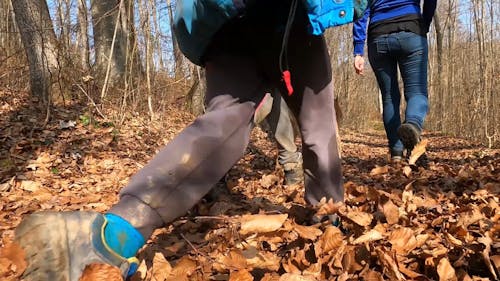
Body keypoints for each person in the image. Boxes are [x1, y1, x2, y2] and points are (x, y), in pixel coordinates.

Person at [13, 0, 367, 280]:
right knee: (318, 127)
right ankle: (327, 219)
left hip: (226, 20)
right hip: (289, 19)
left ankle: (114, 233)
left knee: (221, 124)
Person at [352, 0, 437, 161]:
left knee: (389, 97)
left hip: (378, 35)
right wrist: (424, 23)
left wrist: (358, 50)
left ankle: (396, 151)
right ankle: (412, 125)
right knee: (416, 91)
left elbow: (361, 9)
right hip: (411, 30)